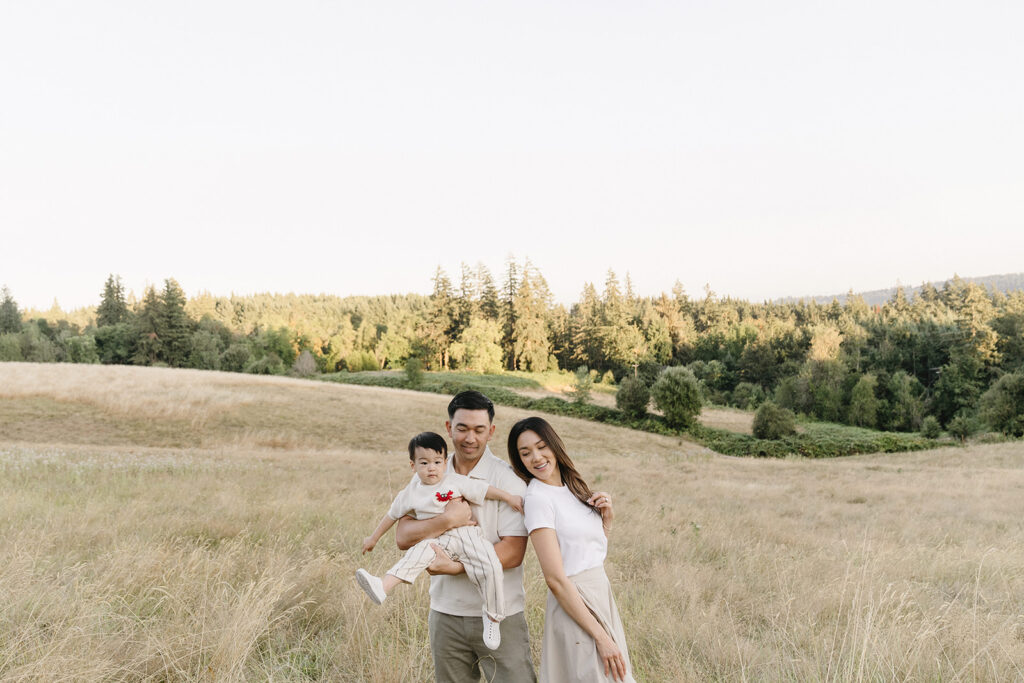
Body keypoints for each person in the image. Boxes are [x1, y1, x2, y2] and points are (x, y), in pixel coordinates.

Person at [396, 391, 536, 683]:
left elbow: (512, 552)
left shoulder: (507, 480)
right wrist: (446, 519)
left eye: (478, 430)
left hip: (501, 614)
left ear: (491, 432)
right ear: (448, 428)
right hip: (445, 613)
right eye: (462, 428)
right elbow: (402, 535)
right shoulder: (430, 471)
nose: (469, 437)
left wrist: (455, 567)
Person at [356, 431, 524, 650]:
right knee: (419, 552)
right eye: (424, 463)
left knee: (490, 565)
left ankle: (492, 617)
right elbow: (391, 516)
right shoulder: (409, 493)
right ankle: (383, 586)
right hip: (438, 539)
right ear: (413, 465)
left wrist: (509, 497)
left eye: (437, 462)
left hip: (466, 535)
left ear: (445, 463)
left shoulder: (453, 481)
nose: (431, 468)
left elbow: (483, 490)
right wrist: (373, 539)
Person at [508, 416, 636, 683]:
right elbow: (555, 579)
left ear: (554, 445)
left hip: (599, 594)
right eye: (525, 453)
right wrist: (600, 636)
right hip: (576, 603)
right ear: (519, 460)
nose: (536, 457)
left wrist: (607, 521)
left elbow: (587, 554)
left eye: (542, 446)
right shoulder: (538, 499)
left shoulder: (572, 487)